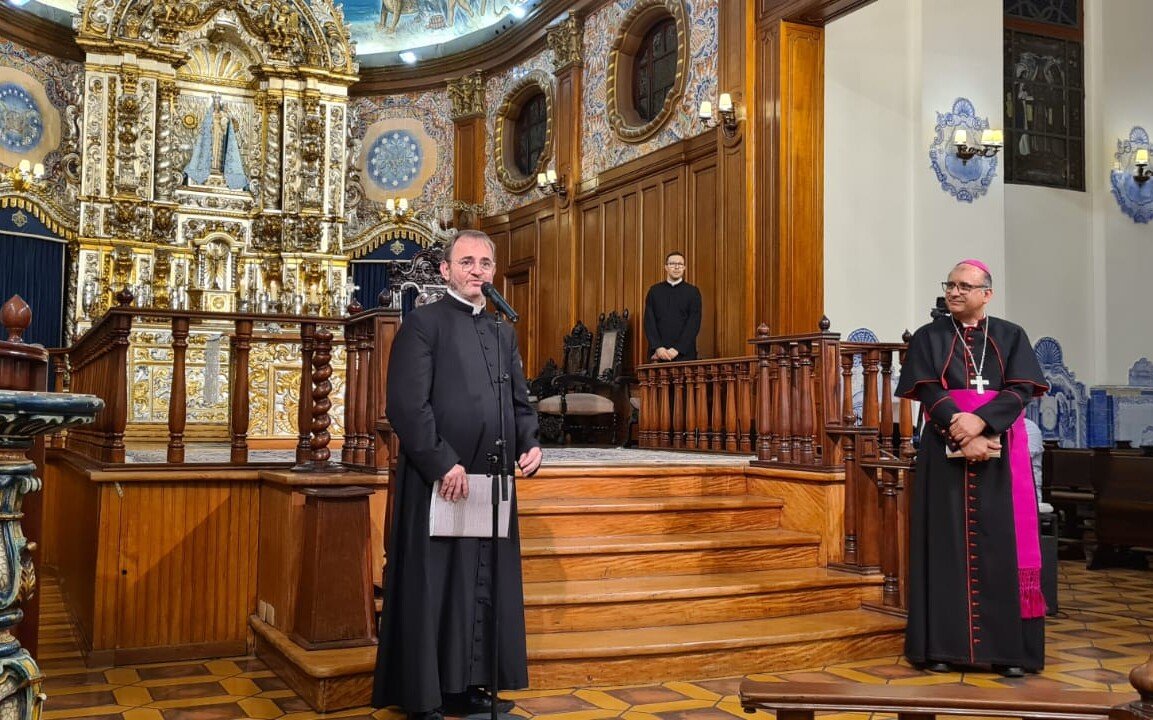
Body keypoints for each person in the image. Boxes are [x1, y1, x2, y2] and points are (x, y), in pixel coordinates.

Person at [372, 230, 543, 720]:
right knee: (438, 586)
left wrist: (530, 442)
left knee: (480, 586)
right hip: (440, 479)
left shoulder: (501, 331)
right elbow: (406, 405)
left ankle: (469, 687)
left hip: (491, 481)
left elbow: (520, 401)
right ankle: (425, 696)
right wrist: (443, 460)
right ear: (445, 270)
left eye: (486, 263)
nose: (478, 271)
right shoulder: (423, 325)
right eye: (467, 262)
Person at [895, 259, 1049, 678]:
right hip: (944, 453)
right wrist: (961, 430)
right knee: (944, 547)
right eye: (950, 285)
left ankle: (1010, 652)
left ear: (987, 293)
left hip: (1002, 451)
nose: (955, 292)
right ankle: (941, 647)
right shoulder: (930, 337)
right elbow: (926, 387)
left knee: (1004, 547)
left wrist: (983, 424)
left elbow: (1021, 388)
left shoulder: (1010, 335)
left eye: (965, 285)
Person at [643, 251, 702, 362]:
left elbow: (694, 324)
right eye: (672, 264)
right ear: (666, 267)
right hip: (658, 354)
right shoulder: (654, 291)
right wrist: (659, 348)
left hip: (684, 355)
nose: (676, 267)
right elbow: (649, 322)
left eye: (680, 264)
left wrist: (677, 349)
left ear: (684, 267)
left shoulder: (693, 292)